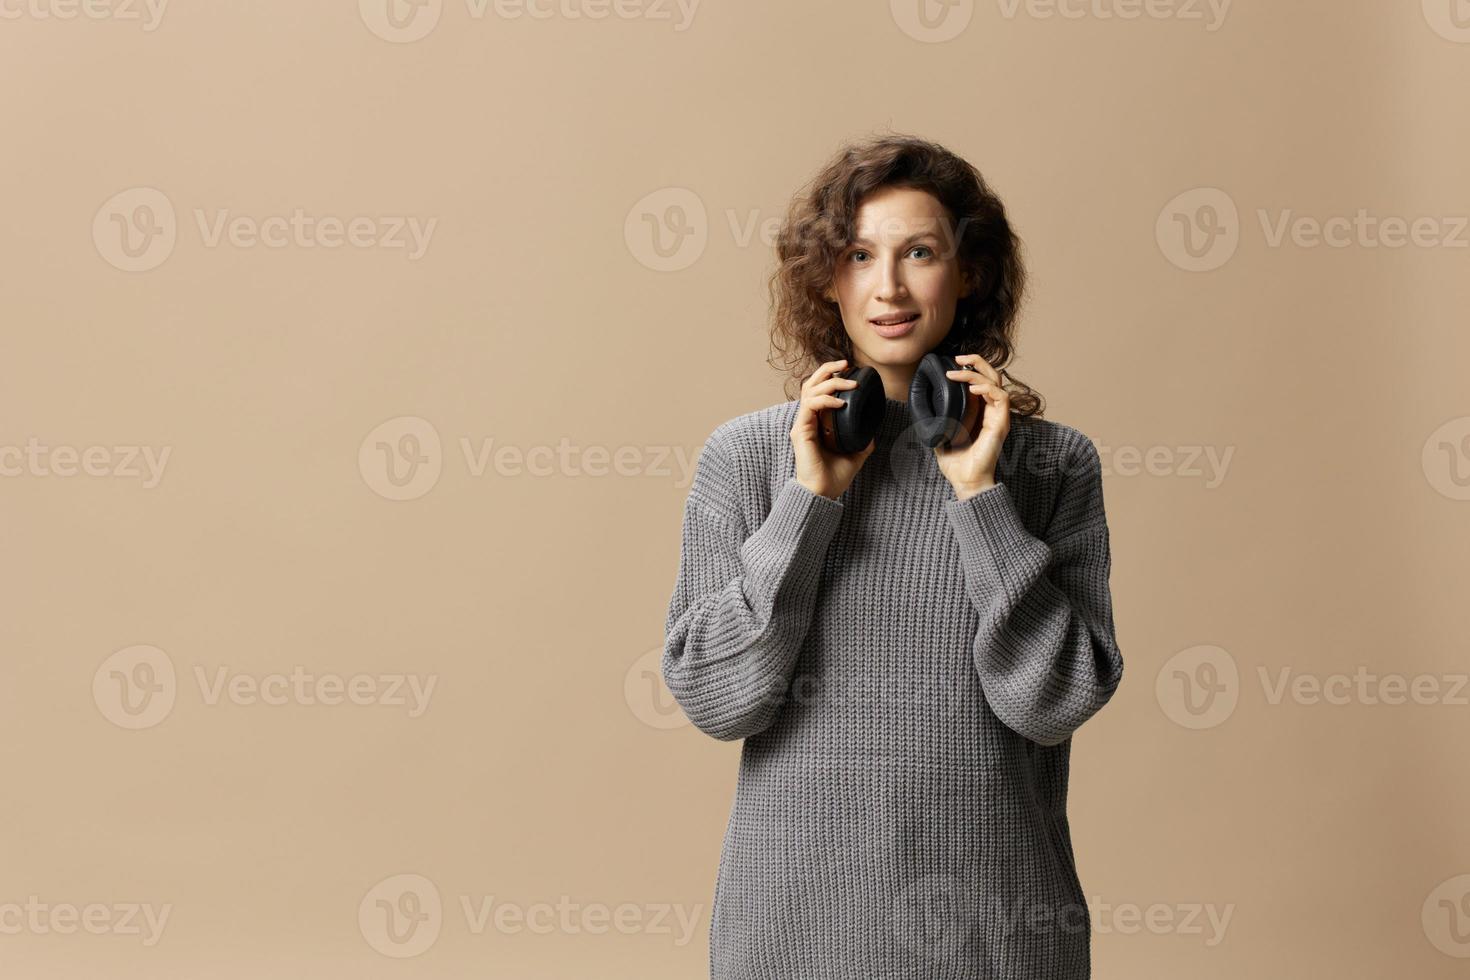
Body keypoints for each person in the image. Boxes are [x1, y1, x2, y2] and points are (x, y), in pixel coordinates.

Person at [661, 133, 1125, 979]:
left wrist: (982, 497)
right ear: (826, 277)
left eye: (920, 253)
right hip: (794, 937)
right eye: (859, 255)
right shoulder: (745, 459)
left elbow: (1054, 702)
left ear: (970, 271)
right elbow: (718, 698)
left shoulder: (1054, 465)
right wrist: (810, 501)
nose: (890, 287)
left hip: (1001, 939)